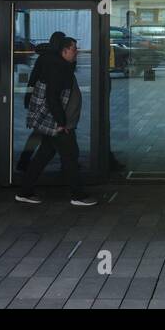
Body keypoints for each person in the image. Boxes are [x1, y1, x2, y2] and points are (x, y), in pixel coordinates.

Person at [15, 36, 97, 207]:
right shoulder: (57, 67)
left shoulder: (61, 65)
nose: (77, 52)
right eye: (74, 49)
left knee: (43, 156)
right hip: (59, 125)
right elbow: (53, 97)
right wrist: (61, 123)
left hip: (59, 123)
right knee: (70, 157)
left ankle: (24, 191)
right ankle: (78, 195)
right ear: (64, 50)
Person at [16, 31, 66, 173]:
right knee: (52, 133)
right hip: (47, 101)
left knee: (40, 134)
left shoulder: (43, 57)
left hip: (39, 99)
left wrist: (28, 97)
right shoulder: (54, 58)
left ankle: (24, 162)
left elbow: (33, 78)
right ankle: (65, 163)